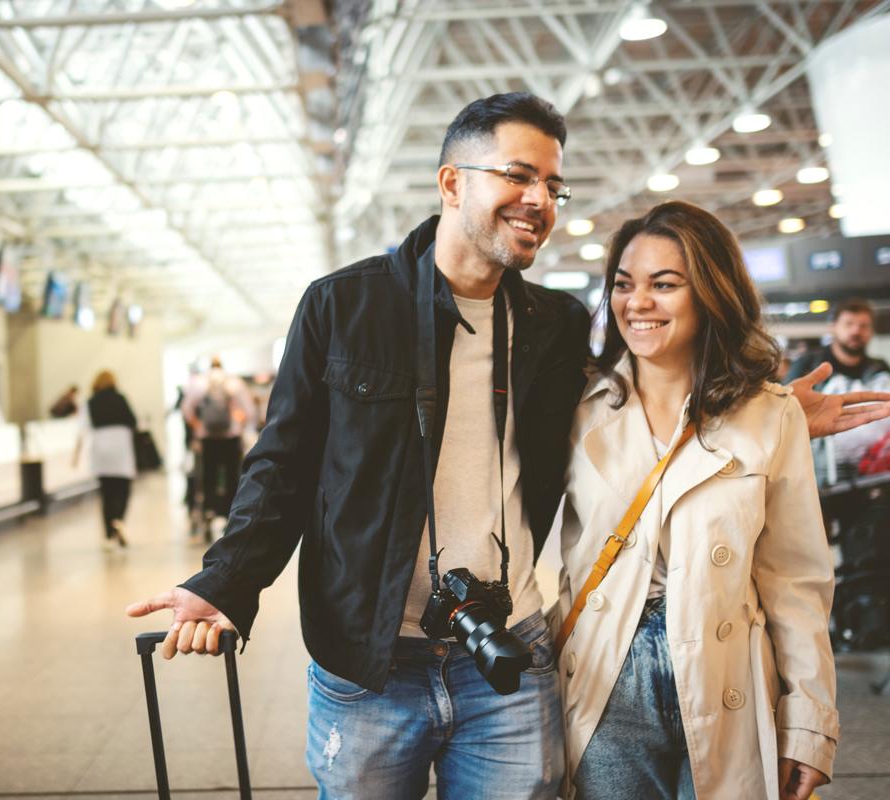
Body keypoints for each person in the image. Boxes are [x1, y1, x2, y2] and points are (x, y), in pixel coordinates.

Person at [126, 92, 889, 800]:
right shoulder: (343, 306)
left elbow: (654, 395)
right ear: (452, 182)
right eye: (518, 175)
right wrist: (225, 582)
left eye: (553, 186)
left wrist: (768, 408)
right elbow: (283, 465)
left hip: (512, 660)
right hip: (369, 661)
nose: (540, 201)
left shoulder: (555, 326)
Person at [557, 201, 838, 800]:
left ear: (710, 292)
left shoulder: (770, 415)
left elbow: (796, 581)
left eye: (665, 284)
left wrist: (811, 721)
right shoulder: (577, 406)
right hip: (608, 676)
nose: (638, 303)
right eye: (624, 285)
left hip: (726, 669)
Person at [784, 299, 890, 484]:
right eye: (849, 324)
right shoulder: (807, 364)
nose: (856, 331)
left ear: (871, 331)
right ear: (834, 327)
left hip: (872, 474)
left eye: (863, 326)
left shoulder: (879, 368)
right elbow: (782, 409)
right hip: (817, 475)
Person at [181, 357, 254, 539]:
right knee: (231, 477)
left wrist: (199, 426)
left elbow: (186, 410)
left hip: (208, 439)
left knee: (208, 477)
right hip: (231, 438)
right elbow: (250, 412)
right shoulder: (234, 383)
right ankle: (230, 515)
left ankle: (209, 512)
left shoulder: (200, 383)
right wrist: (238, 424)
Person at [87, 371, 137, 548]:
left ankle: (108, 535)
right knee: (123, 488)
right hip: (121, 447)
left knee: (106, 493)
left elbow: (84, 426)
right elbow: (133, 421)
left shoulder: (91, 402)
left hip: (101, 450)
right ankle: (119, 520)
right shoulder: (120, 398)